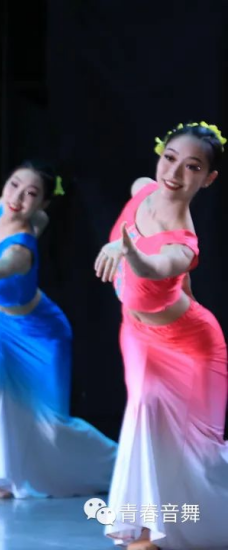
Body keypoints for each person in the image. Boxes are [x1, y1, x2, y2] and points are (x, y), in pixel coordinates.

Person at [95, 121, 228, 550]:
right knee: (145, 418)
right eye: (170, 158)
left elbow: (156, 267)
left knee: (201, 451)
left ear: (208, 178)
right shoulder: (144, 189)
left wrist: (127, 249)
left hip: (192, 346)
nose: (175, 172)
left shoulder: (184, 243)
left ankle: (168, 528)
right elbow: (140, 186)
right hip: (137, 334)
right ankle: (146, 532)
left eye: (192, 167)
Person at [0, 161, 117, 499]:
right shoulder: (6, 208)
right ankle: (0, 475)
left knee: (51, 422)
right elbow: (37, 218)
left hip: (42, 332)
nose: (17, 197)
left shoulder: (20, 250)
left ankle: (121, 467)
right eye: (14, 185)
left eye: (30, 194)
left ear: (42, 202)